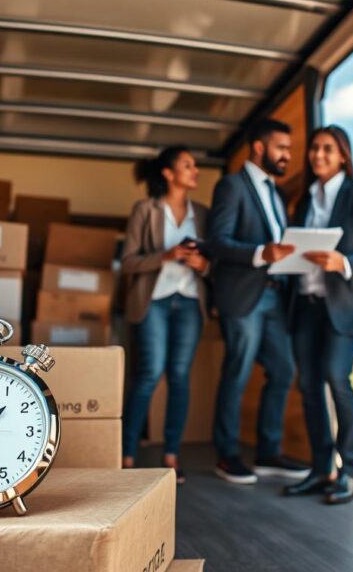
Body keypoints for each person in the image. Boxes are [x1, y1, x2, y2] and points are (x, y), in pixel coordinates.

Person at [281, 126, 353, 505]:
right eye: (313, 148)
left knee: (335, 376)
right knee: (309, 387)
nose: (318, 155)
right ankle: (319, 469)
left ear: (343, 155)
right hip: (306, 306)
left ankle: (349, 470)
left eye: (327, 149)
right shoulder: (303, 201)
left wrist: (343, 261)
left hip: (345, 307)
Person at [208, 118, 309, 484]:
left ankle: (269, 452)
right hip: (243, 296)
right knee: (237, 372)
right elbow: (217, 241)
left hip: (274, 298)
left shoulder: (277, 194)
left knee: (283, 370)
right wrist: (260, 253)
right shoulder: (231, 186)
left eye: (289, 149)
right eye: (282, 148)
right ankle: (227, 454)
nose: (287, 156)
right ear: (259, 147)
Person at [120, 146, 210, 484]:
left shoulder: (202, 213)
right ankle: (126, 456)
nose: (195, 170)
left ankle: (171, 456)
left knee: (179, 377)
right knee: (149, 374)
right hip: (154, 301)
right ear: (168, 174)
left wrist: (204, 264)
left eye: (195, 165)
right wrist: (167, 255)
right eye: (187, 165)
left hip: (189, 301)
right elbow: (128, 262)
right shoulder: (145, 209)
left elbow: (212, 261)